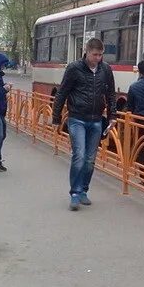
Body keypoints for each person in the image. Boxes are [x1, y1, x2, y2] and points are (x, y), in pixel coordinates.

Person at [52, 38, 116, 210]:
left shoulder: (106, 70)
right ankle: (74, 192)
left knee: (90, 160)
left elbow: (111, 95)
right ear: (87, 52)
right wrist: (56, 118)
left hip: (96, 120)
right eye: (95, 55)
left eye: (100, 55)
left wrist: (112, 117)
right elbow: (62, 93)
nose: (98, 58)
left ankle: (83, 191)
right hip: (77, 118)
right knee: (79, 156)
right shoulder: (74, 68)